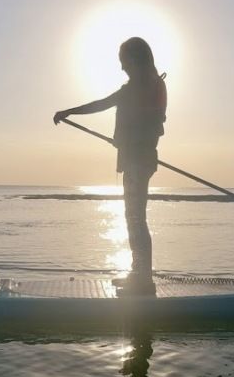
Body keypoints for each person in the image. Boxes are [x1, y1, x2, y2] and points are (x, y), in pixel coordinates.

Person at [54, 37, 167, 295]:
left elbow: (153, 122)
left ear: (136, 60)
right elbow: (102, 104)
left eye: (124, 62)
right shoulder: (138, 87)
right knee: (133, 218)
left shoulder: (149, 87)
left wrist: (128, 138)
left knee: (136, 219)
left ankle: (143, 281)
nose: (122, 68)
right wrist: (69, 111)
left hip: (140, 161)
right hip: (137, 160)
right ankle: (138, 275)